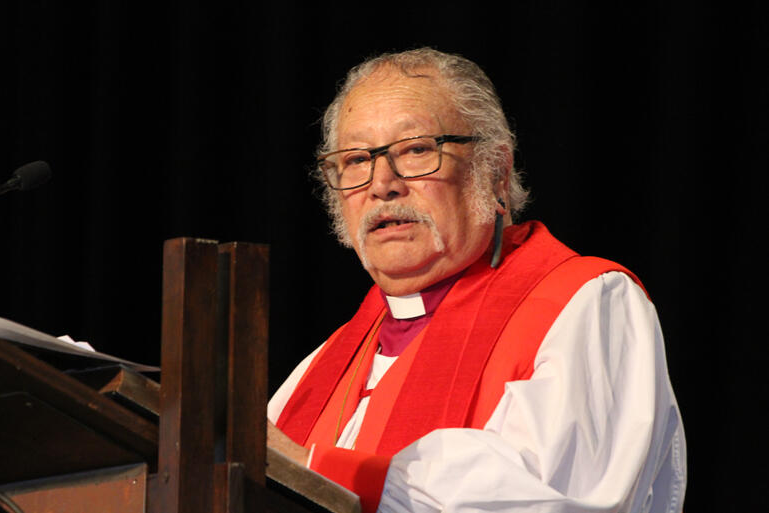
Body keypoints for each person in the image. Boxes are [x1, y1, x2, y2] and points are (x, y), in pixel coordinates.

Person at [266, 48, 686, 513]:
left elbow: (551, 502)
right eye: (357, 159)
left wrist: (308, 467)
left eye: (416, 149)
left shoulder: (586, 305)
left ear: (496, 173)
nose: (382, 183)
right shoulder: (324, 366)